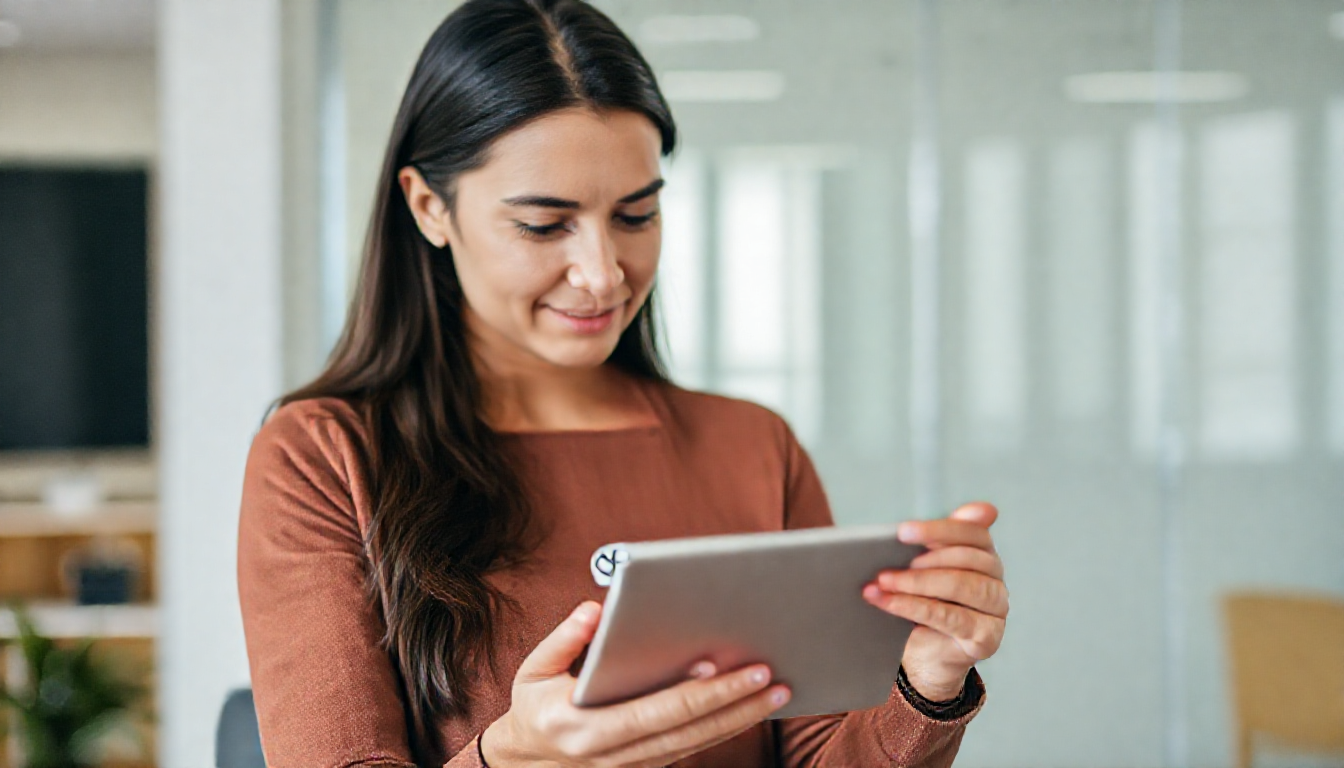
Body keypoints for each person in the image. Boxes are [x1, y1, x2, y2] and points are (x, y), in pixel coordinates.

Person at [237, 0, 1009, 766]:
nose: (604, 274)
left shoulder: (752, 447)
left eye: (636, 215)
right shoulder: (324, 455)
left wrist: (927, 683)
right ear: (429, 206)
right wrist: (510, 759)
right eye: (544, 225)